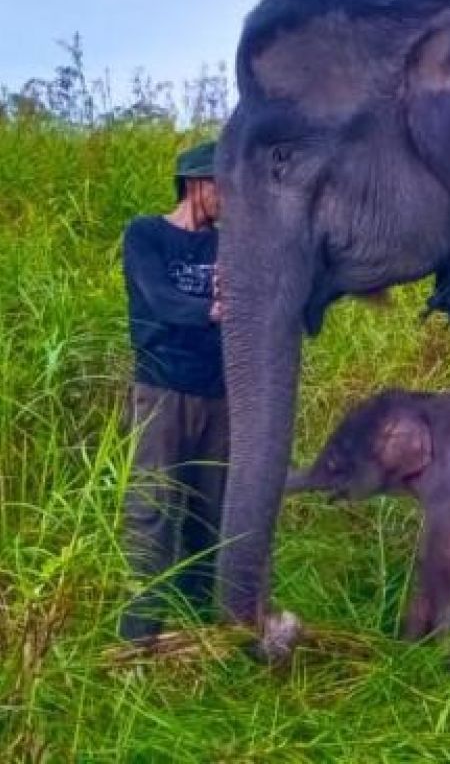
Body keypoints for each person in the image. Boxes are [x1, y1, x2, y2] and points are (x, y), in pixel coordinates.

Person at [118, 140, 227, 643]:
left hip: (219, 397)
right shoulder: (146, 235)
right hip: (161, 393)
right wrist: (212, 309)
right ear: (196, 184)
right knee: (153, 509)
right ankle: (138, 635)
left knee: (211, 514)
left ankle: (198, 631)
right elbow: (158, 300)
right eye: (224, 185)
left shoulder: (229, 243)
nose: (231, 197)